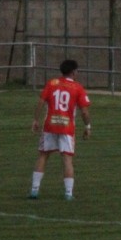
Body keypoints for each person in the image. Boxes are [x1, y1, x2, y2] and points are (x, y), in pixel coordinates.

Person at [28, 59, 91, 200]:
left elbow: (40, 102)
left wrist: (36, 120)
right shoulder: (77, 87)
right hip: (67, 128)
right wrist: (87, 126)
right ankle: (68, 193)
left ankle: (34, 190)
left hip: (50, 126)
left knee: (43, 156)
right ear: (74, 72)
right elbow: (85, 112)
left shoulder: (52, 83)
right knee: (67, 159)